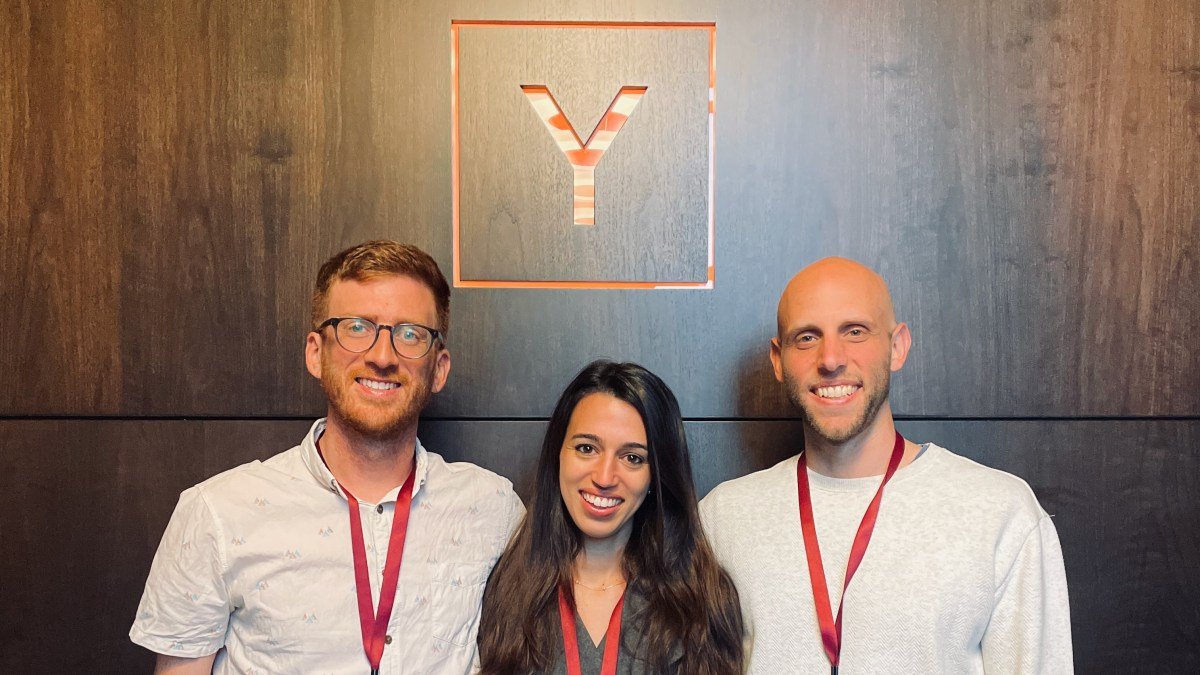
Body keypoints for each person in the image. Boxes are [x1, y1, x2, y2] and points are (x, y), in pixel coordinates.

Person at [130, 240, 524, 674]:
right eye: (357, 327)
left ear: (439, 368)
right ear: (316, 353)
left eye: (410, 334)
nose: (382, 356)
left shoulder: (494, 510)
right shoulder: (217, 515)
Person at [699, 257, 1073, 673]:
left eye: (855, 331)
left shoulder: (1001, 512)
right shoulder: (721, 517)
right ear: (777, 360)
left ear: (897, 347)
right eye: (806, 337)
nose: (831, 359)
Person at [477, 361, 743, 675]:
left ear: (656, 475)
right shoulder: (505, 590)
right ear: (557, 455)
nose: (604, 477)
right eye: (586, 448)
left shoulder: (702, 599)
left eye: (632, 458)